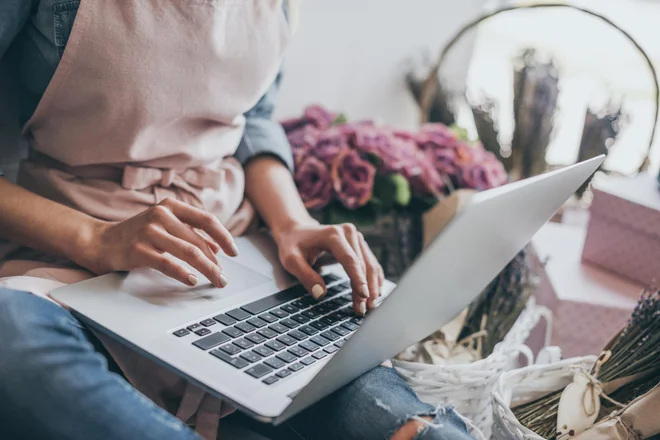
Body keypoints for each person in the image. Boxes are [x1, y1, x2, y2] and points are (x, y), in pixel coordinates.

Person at [0, 1, 473, 439]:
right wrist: (94, 238)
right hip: (68, 241)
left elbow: (255, 117)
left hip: (233, 252)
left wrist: (291, 222)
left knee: (398, 420)